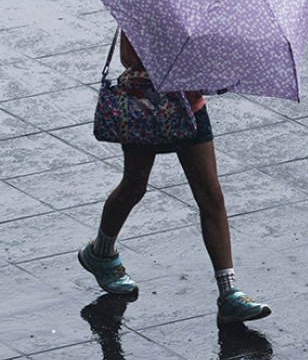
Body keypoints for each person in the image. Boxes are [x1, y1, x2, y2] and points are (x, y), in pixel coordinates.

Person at [78, 31, 270, 325]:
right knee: (134, 186)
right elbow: (139, 57)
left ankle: (229, 293)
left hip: (190, 106)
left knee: (210, 195)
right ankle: (101, 252)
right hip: (146, 104)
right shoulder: (144, 0)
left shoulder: (197, 7)